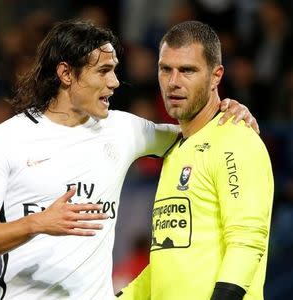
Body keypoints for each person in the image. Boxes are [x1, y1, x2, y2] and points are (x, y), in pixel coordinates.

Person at [0, 20, 258, 300]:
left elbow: (198, 129)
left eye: (114, 70)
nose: (114, 82)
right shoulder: (5, 140)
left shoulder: (123, 129)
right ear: (66, 74)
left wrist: (228, 109)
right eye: (102, 71)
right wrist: (38, 222)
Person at [116, 21, 273, 300]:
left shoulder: (237, 140)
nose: (174, 81)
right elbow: (168, 259)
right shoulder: (175, 149)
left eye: (187, 70)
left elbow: (247, 242)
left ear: (216, 76)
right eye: (166, 69)